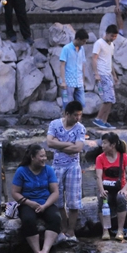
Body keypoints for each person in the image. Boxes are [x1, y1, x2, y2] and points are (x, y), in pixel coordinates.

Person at [12, 144, 61, 253]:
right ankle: (37, 251)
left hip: (45, 202)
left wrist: (45, 205)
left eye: (45, 156)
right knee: (28, 220)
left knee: (55, 218)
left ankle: (45, 251)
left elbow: (55, 192)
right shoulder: (21, 171)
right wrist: (29, 203)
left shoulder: (48, 170)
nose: (44, 158)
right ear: (32, 157)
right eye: (41, 156)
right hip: (28, 203)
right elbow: (15, 192)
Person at [46, 101, 86, 241]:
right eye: (75, 115)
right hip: (57, 166)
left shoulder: (80, 128)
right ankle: (63, 226)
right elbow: (49, 142)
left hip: (73, 167)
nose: (78, 118)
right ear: (67, 114)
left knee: (73, 201)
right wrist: (69, 144)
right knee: (57, 200)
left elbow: (77, 148)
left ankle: (71, 230)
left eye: (80, 115)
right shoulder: (55, 124)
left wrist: (59, 145)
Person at [95, 132, 127, 242]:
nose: (102, 145)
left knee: (121, 198)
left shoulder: (124, 157)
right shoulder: (100, 158)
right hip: (106, 188)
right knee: (103, 199)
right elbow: (98, 176)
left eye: (104, 143)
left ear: (112, 145)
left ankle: (120, 230)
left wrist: (124, 189)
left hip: (120, 188)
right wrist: (101, 190)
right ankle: (105, 230)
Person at [92, 24, 118, 129]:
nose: (113, 38)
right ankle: (98, 119)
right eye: (112, 36)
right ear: (106, 33)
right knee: (107, 99)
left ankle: (104, 120)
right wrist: (96, 74)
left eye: (115, 36)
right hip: (102, 74)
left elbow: (110, 61)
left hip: (108, 74)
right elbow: (94, 58)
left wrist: (114, 75)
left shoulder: (111, 45)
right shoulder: (99, 43)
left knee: (111, 99)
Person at [58, 29, 88, 107]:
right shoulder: (66, 48)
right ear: (78, 39)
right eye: (83, 41)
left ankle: (78, 119)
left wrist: (83, 80)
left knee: (82, 104)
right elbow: (62, 65)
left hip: (79, 81)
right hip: (68, 82)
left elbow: (82, 64)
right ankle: (65, 119)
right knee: (68, 106)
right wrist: (63, 81)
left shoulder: (82, 49)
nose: (84, 43)